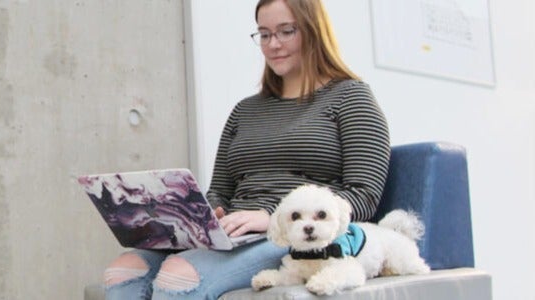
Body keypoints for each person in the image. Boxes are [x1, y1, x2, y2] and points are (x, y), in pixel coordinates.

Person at [102, 0, 390, 299]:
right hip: (233, 235)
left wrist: (272, 216)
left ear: (314, 31)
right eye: (264, 34)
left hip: (288, 234)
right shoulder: (244, 110)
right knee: (125, 268)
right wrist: (208, 215)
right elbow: (220, 190)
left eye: (286, 31)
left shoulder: (352, 98)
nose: (273, 44)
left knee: (180, 276)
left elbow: (364, 196)